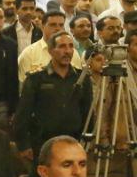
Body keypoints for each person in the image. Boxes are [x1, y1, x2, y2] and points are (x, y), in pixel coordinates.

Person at [15, 32, 90, 166]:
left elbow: (88, 113)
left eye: (70, 46)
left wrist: (87, 143)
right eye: (62, 46)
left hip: (74, 143)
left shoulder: (82, 79)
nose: (67, 51)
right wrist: (24, 145)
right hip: (42, 145)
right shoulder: (36, 79)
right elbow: (23, 114)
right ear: (50, 50)